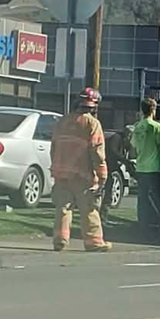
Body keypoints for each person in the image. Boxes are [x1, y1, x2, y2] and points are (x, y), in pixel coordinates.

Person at [50, 87, 111, 252]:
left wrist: (55, 167)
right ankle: (94, 242)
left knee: (63, 208)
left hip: (61, 173)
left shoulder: (62, 122)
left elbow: (54, 148)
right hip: (83, 175)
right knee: (89, 209)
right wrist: (102, 176)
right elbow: (97, 153)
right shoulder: (92, 124)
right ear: (94, 106)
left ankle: (60, 240)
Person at [131, 97, 160, 243]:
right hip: (153, 167)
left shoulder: (137, 126)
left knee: (142, 200)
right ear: (153, 110)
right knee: (158, 199)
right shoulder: (156, 127)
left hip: (141, 167)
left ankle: (143, 228)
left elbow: (134, 147)